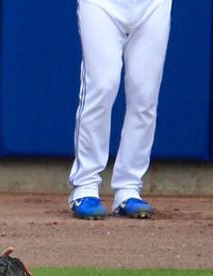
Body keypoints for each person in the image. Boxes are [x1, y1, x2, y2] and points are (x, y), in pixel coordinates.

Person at [69, 0, 172, 220]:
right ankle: (85, 186)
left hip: (153, 5)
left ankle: (128, 188)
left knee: (145, 94)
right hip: (102, 4)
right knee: (102, 86)